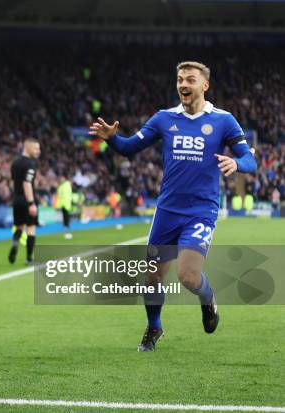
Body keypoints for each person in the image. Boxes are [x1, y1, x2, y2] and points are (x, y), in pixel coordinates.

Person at [89, 61, 257, 351]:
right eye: (180, 79)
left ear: (204, 85)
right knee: (153, 276)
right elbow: (129, 148)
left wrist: (236, 163)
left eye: (190, 80)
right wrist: (112, 139)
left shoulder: (224, 120)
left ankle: (208, 299)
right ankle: (155, 327)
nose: (183, 85)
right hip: (167, 211)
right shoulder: (164, 119)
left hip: (201, 211)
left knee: (188, 275)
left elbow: (249, 159)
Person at [8, 138, 41, 265]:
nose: (38, 151)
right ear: (27, 148)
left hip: (17, 199)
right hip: (28, 200)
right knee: (31, 229)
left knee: (19, 227)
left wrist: (17, 196)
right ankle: (29, 258)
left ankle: (15, 242)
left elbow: (12, 182)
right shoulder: (30, 164)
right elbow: (27, 183)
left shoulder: (15, 163)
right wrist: (31, 203)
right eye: (36, 148)